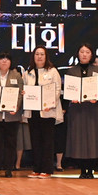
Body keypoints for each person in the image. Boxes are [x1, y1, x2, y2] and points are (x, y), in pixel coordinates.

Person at [65, 43, 98, 179]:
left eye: (87, 52)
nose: (84, 54)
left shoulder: (97, 70)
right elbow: (68, 89)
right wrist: (72, 97)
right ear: (78, 54)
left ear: (91, 54)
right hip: (77, 110)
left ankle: (91, 170)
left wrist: (97, 97)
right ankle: (83, 170)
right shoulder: (72, 71)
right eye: (82, 52)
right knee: (79, 140)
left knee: (93, 139)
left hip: (93, 109)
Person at [23, 45, 63, 178]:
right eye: (37, 54)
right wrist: (24, 93)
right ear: (33, 57)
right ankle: (37, 169)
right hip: (33, 111)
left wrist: (50, 104)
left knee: (47, 141)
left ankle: (47, 169)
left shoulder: (53, 71)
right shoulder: (28, 73)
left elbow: (57, 90)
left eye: (42, 54)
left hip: (47, 111)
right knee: (35, 141)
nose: (39, 57)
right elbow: (24, 89)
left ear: (46, 57)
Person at [0, 52, 23, 178]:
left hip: (11, 115)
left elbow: (20, 93)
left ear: (11, 62)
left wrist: (17, 106)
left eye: (7, 59)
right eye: (2, 58)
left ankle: (8, 169)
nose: (4, 61)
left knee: (10, 143)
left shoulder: (16, 75)